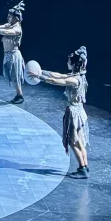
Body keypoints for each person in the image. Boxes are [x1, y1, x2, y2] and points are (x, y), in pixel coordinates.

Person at [39, 45, 90, 174]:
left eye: (68, 61)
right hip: (80, 112)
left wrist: (40, 77)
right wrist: (42, 71)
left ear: (73, 64)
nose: (67, 63)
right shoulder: (78, 75)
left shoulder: (74, 80)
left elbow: (57, 81)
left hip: (74, 113)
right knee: (80, 142)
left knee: (72, 142)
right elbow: (59, 75)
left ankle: (82, 168)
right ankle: (85, 166)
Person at [0, 1, 26, 102]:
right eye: (8, 16)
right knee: (11, 76)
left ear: (16, 18)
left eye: (10, 16)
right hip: (8, 54)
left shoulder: (17, 29)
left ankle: (20, 95)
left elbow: (7, 32)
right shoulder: (9, 24)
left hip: (14, 55)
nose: (8, 18)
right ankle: (18, 95)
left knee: (15, 76)